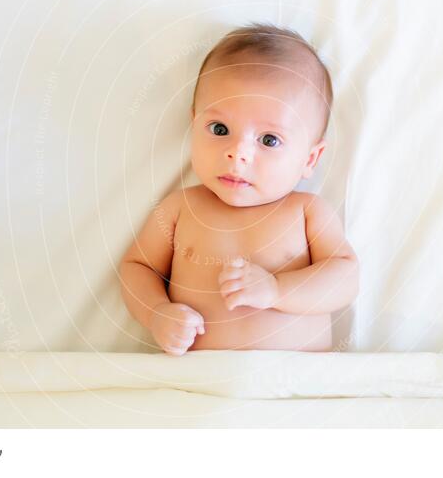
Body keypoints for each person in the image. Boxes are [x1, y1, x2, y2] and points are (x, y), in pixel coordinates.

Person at [120, 23, 359, 355]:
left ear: (310, 158)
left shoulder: (306, 212)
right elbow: (137, 268)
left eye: (269, 140)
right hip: (198, 386)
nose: (238, 153)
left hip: (294, 384)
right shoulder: (180, 209)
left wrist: (277, 290)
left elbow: (345, 278)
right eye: (219, 129)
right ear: (194, 124)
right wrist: (156, 313)